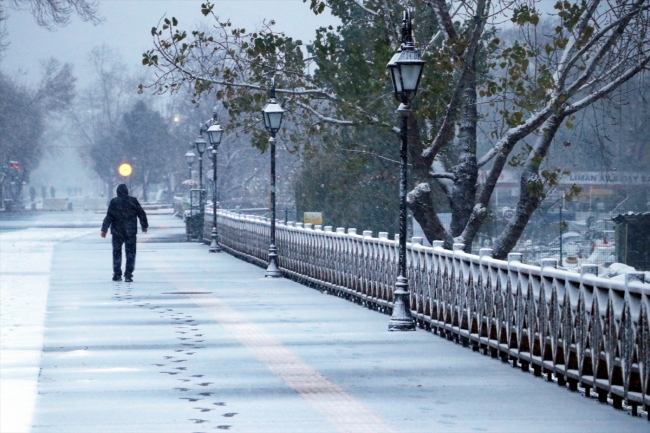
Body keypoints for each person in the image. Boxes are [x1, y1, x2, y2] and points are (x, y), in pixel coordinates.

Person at [101, 184, 148, 282]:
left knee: (117, 253)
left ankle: (117, 274)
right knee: (130, 253)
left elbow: (109, 216)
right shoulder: (133, 201)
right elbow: (141, 213)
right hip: (130, 231)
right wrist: (144, 225)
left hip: (117, 232)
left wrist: (104, 229)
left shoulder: (114, 202)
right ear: (127, 191)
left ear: (117, 192)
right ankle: (128, 274)